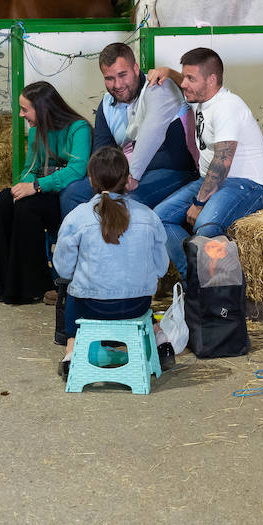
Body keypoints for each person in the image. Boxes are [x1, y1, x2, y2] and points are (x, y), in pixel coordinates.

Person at [150, 48, 263, 279]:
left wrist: (199, 203)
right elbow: (185, 83)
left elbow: (223, 161)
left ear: (212, 80)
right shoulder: (202, 99)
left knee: (205, 227)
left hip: (247, 184)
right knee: (159, 218)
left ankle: (215, 293)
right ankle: (193, 282)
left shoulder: (227, 106)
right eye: (184, 77)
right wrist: (168, 72)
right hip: (212, 181)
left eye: (190, 78)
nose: (184, 84)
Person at [52, 146, 171, 378]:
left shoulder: (77, 216)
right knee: (138, 288)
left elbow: (63, 269)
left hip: (93, 308)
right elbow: (161, 267)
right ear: (128, 180)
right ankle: (161, 340)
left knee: (71, 289)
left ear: (90, 181)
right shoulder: (149, 215)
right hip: (137, 305)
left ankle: (71, 352)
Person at [58, 42, 197, 216]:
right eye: (109, 78)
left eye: (123, 75)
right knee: (72, 193)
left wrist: (132, 176)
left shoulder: (158, 87)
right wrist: (96, 175)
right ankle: (79, 241)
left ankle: (114, 242)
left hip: (172, 171)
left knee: (124, 202)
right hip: (126, 174)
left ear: (136, 69)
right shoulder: (107, 104)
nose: (117, 84)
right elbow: (102, 151)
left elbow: (152, 132)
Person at [0, 81, 90, 303]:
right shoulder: (37, 131)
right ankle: (8, 280)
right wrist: (22, 187)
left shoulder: (79, 128)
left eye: (25, 109)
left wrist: (35, 187)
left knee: (27, 207)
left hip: (65, 196)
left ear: (43, 109)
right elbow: (30, 168)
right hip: (44, 191)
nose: (21, 115)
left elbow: (76, 170)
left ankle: (32, 285)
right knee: (6, 199)